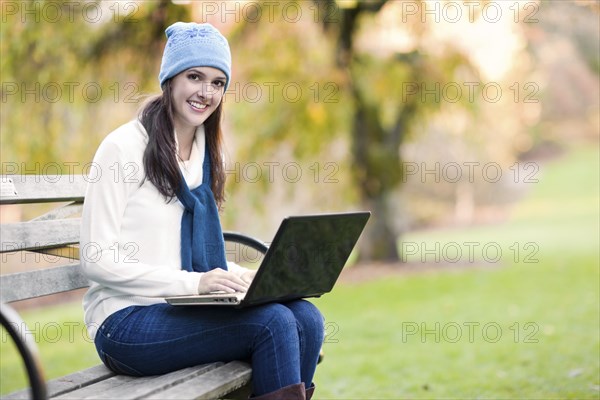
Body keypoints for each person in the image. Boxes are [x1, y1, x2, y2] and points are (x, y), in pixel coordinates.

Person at [80, 21, 324, 399]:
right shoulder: (124, 149)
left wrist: (248, 279)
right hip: (124, 322)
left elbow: (194, 258)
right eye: (195, 76)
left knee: (307, 317)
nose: (205, 92)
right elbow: (96, 261)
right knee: (272, 322)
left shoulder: (207, 154)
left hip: (182, 308)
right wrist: (196, 283)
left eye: (217, 82)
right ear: (171, 79)